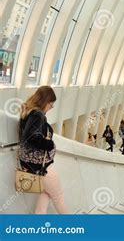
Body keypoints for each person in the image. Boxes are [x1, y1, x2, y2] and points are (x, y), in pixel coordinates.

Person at [18, 85, 67, 214]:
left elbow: (27, 136)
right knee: (58, 197)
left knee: (47, 193)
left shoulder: (27, 112)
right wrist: (49, 144)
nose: (51, 107)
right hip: (43, 167)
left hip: (31, 166)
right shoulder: (37, 115)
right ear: (45, 101)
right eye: (51, 104)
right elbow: (31, 137)